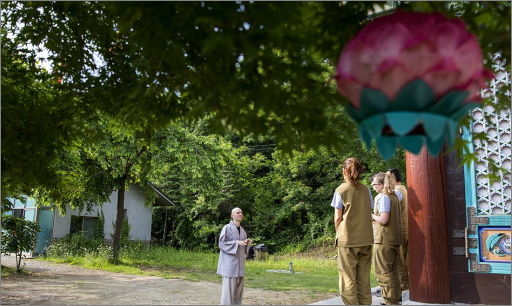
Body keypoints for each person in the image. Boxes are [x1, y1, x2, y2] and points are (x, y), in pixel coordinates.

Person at [331, 157, 374, 305]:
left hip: (348, 239)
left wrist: (338, 233)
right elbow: (369, 209)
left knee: (348, 278)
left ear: (344, 171)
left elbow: (337, 217)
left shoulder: (340, 190)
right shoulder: (366, 189)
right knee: (363, 278)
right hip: (366, 238)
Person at [371, 172, 403, 305]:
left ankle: (389, 301)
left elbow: (384, 219)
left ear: (382, 184)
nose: (373, 187)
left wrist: (372, 216)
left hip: (384, 239)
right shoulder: (396, 195)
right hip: (394, 238)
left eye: (375, 184)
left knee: (383, 272)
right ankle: (395, 300)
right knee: (393, 271)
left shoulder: (383, 197)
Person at [217, 207, 252, 305]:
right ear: (232, 215)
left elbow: (243, 247)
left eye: (241, 212)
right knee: (228, 294)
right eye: (238, 213)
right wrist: (237, 242)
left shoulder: (242, 230)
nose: (240, 214)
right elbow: (222, 243)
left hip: (240, 267)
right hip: (230, 267)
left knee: (238, 293)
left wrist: (246, 243)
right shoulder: (227, 228)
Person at [388, 168, 409, 293]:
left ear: (393, 177)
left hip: (400, 230)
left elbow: (391, 209)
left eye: (387, 176)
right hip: (404, 228)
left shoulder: (397, 191)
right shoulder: (403, 189)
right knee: (404, 259)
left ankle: (403, 289)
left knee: (400, 261)